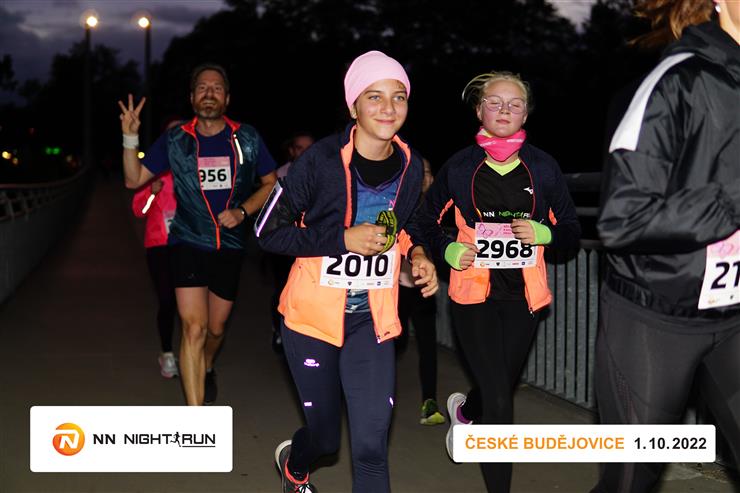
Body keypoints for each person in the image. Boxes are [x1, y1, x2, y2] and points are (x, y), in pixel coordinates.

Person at [256, 50, 438, 493]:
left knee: (372, 448)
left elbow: (411, 224)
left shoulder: (412, 165)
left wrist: (418, 254)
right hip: (312, 322)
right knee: (324, 439)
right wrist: (343, 239)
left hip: (371, 322)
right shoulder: (318, 162)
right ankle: (294, 465)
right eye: (374, 96)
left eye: (398, 97)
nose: (388, 108)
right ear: (353, 106)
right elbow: (267, 231)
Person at [594, 1, 740, 491]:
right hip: (654, 321)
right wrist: (732, 200)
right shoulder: (677, 80)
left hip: (734, 316)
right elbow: (622, 218)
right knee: (631, 481)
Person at [415, 71, 580, 492]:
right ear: (479, 110)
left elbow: (571, 232)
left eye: (514, 104)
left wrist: (544, 233)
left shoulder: (542, 168)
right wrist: (448, 250)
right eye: (495, 102)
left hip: (524, 296)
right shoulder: (460, 167)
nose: (504, 110)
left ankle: (467, 412)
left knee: (499, 385)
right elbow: (423, 222)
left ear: (526, 113)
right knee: (502, 402)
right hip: (473, 293)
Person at [117, 63, 278, 405]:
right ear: (192, 98)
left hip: (229, 245)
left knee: (215, 330)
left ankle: (207, 364)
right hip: (187, 241)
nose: (209, 93)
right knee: (193, 328)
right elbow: (133, 179)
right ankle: (195, 418)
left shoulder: (247, 138)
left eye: (216, 88)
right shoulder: (176, 140)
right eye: (202, 87)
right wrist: (130, 137)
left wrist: (242, 211)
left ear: (227, 98)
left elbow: (271, 183)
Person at [396, 157, 445, 425]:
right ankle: (380, 394)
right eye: (418, 172)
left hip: (423, 286)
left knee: (428, 344)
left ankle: (430, 401)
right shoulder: (399, 204)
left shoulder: (437, 209)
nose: (423, 177)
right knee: (397, 342)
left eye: (427, 172)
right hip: (398, 286)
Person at [270, 132, 315, 352]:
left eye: (309, 147)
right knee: (283, 289)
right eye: (299, 148)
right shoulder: (280, 174)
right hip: (286, 244)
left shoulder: (325, 171)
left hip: (313, 245)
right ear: (291, 151)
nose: (305, 152)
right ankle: (280, 330)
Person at [131, 170, 178, 378]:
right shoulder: (152, 175)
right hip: (159, 246)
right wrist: (151, 192)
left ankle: (193, 354)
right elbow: (139, 211)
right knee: (167, 300)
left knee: (190, 304)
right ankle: (167, 353)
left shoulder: (190, 169)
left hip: (188, 245)